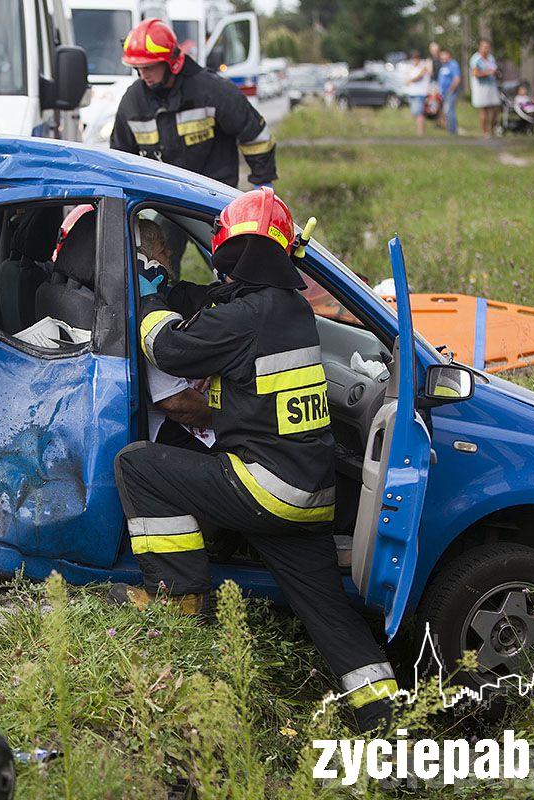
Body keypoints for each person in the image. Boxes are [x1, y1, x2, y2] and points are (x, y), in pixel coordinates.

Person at [110, 187, 396, 733]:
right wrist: (177, 290)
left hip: (263, 487)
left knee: (138, 465)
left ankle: (177, 600)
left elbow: (168, 349)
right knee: (329, 614)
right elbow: (220, 311)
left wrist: (149, 299)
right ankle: (386, 720)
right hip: (308, 495)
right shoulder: (287, 308)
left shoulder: (246, 317)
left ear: (229, 248)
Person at [111, 18, 277, 189]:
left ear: (170, 62)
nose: (143, 74)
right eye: (137, 68)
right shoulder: (133, 101)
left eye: (149, 67)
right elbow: (120, 157)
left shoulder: (212, 90)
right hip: (161, 202)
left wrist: (263, 184)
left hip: (214, 199)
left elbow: (255, 135)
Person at [136, 217, 215, 449]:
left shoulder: (157, 299)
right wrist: (232, 420)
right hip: (169, 433)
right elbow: (175, 401)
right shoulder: (145, 310)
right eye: (163, 248)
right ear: (144, 261)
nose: (170, 251)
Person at [469, 39, 500, 138]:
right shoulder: (475, 59)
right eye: (484, 47)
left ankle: (493, 129)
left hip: (492, 85)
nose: (485, 49)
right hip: (480, 87)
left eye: (487, 47)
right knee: (484, 109)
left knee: (495, 108)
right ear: (480, 47)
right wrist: (488, 72)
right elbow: (475, 73)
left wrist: (495, 73)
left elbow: (494, 70)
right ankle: (485, 132)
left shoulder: (491, 58)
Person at [405, 52, 432, 136]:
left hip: (420, 93)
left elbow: (419, 77)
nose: (414, 61)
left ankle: (420, 132)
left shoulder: (423, 67)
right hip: (412, 93)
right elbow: (407, 79)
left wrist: (411, 80)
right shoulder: (411, 68)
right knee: (415, 113)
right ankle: (420, 130)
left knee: (419, 112)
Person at [438, 47, 462, 135]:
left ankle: (452, 131)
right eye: (441, 55)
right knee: (447, 111)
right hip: (444, 93)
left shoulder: (453, 65)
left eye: (444, 54)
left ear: (449, 55)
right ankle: (451, 129)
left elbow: (457, 78)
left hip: (451, 93)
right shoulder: (444, 65)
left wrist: (450, 90)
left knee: (449, 111)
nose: (442, 57)